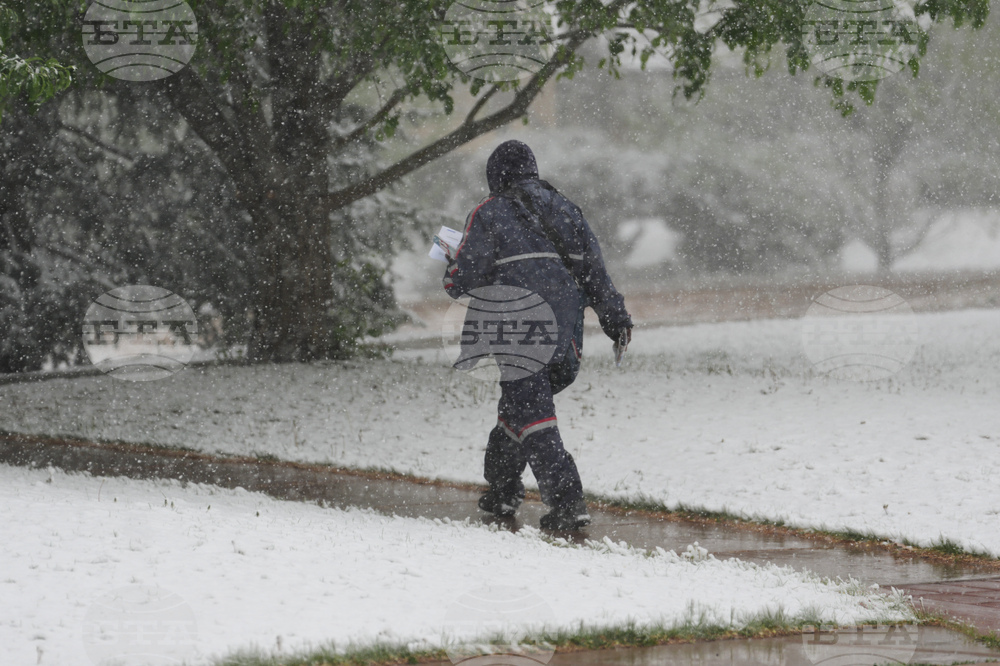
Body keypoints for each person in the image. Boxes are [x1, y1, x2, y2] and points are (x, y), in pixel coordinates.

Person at [442, 140, 632, 530]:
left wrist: (451, 261)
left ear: (496, 176)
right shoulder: (568, 210)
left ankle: (567, 502)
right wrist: (616, 321)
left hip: (519, 328)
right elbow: (596, 274)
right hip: (566, 337)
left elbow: (462, 282)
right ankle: (502, 491)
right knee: (520, 410)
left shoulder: (488, 213)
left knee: (533, 416)